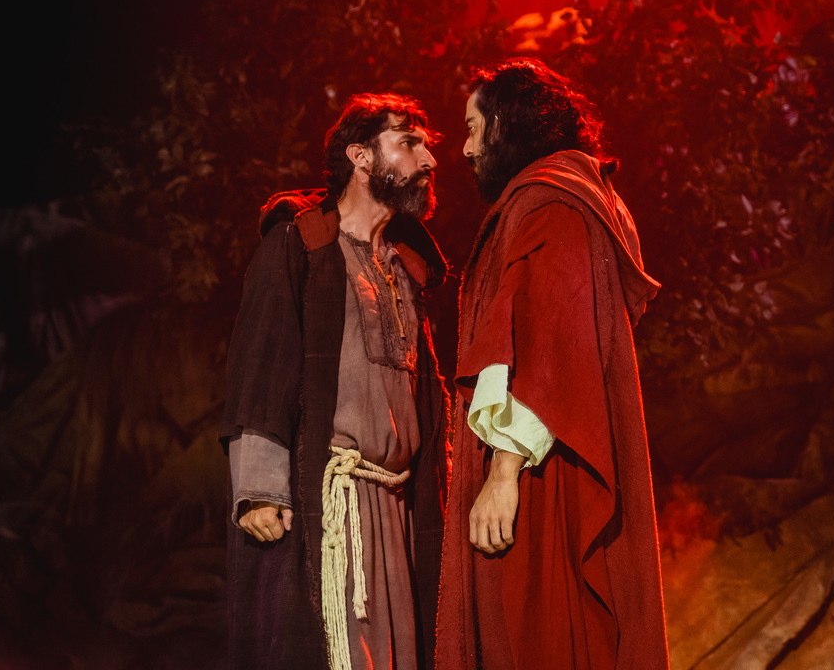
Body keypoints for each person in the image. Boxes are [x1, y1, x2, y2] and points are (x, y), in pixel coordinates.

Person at [436, 58, 669, 670]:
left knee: (535, 628)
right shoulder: (573, 194)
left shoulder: (551, 205)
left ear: (504, 123)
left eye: (472, 128)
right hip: (547, 457)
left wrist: (502, 475)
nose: (465, 149)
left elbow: (545, 344)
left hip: (542, 473)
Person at [221, 93, 452, 670]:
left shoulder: (405, 267)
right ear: (360, 156)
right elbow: (261, 362)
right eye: (409, 142)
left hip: (398, 507)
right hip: (333, 505)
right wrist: (260, 488)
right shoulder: (301, 246)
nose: (428, 160)